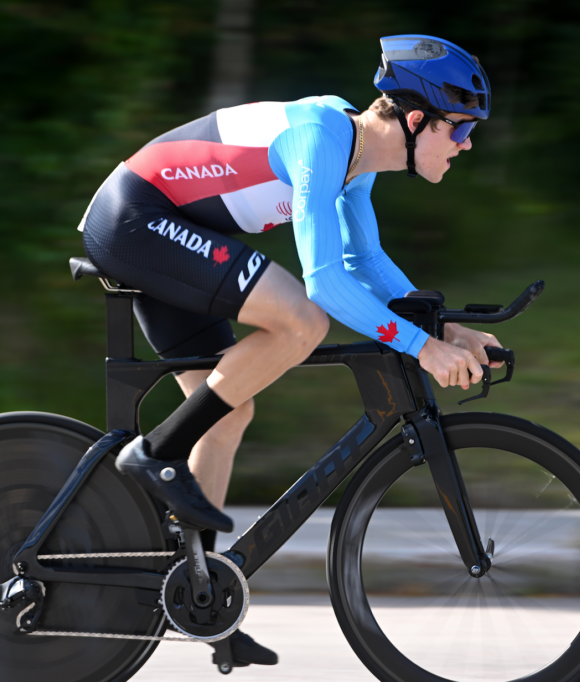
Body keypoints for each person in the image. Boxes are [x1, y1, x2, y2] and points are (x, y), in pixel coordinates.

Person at [78, 34, 503, 667]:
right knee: (302, 320)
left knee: (229, 413)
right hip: (136, 219)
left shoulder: (354, 158)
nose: (467, 144)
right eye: (462, 128)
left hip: (175, 231)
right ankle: (155, 452)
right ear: (416, 119)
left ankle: (201, 601)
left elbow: (364, 261)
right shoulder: (322, 138)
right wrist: (418, 348)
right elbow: (325, 283)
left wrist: (442, 329)